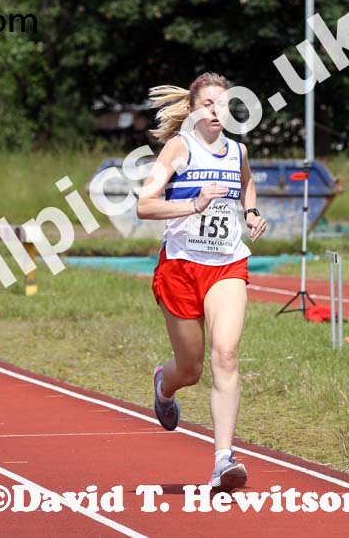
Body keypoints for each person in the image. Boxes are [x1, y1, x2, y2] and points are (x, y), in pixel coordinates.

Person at [136, 72, 268, 493]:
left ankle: (222, 460)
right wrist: (192, 203)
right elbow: (145, 205)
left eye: (224, 104)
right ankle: (164, 383)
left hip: (227, 265)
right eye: (208, 104)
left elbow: (246, 183)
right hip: (180, 266)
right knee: (190, 369)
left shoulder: (239, 152)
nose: (217, 111)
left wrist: (249, 213)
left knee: (226, 356)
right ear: (192, 111)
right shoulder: (179, 148)